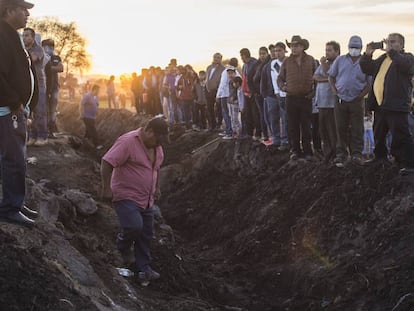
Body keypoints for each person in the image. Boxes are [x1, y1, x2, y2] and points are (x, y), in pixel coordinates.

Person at [100, 116, 169, 281]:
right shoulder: (128, 142)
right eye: (157, 139)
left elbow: (156, 169)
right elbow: (106, 162)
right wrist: (106, 188)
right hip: (126, 195)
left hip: (147, 198)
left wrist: (157, 187)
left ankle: (143, 268)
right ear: (149, 131)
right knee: (134, 227)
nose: (159, 143)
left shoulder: (157, 147)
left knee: (146, 233)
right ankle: (122, 247)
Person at [0, 0, 38, 227]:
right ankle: (10, 207)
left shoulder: (10, 35)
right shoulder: (2, 36)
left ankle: (15, 201)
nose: (27, 15)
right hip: (8, 110)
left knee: (15, 157)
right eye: (23, 10)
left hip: (14, 109)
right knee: (14, 159)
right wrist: (15, 103)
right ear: (8, 10)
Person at [360, 33, 414, 175]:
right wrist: (367, 54)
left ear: (401, 45)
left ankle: (408, 163)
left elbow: (406, 66)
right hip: (380, 105)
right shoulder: (383, 59)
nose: (389, 44)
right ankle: (380, 157)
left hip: (397, 104)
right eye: (388, 41)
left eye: (393, 42)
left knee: (401, 135)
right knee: (379, 133)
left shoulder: (407, 57)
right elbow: (368, 68)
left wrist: (391, 52)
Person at [328, 35, 371, 167]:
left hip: (357, 100)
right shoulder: (340, 60)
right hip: (341, 99)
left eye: (357, 48)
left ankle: (357, 154)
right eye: (352, 47)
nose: (354, 50)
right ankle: (341, 154)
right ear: (348, 47)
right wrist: (335, 92)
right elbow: (331, 76)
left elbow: (369, 82)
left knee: (357, 128)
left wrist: (362, 95)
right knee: (341, 127)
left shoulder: (365, 62)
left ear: (361, 48)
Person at [277, 35, 316, 161]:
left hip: (306, 98)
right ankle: (295, 150)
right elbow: (280, 79)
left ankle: (308, 151)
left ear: (302, 47)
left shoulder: (311, 60)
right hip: (291, 98)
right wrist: (284, 88)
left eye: (296, 46)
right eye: (292, 46)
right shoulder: (287, 62)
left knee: (306, 126)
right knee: (293, 126)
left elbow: (317, 77)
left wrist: (313, 92)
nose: (293, 48)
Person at [314, 41, 341, 163]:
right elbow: (315, 77)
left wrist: (324, 66)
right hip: (321, 103)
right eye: (326, 50)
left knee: (332, 130)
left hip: (331, 103)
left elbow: (330, 75)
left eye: (330, 50)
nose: (327, 53)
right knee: (323, 130)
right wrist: (327, 79)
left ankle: (335, 154)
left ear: (337, 52)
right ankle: (327, 154)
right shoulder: (325, 64)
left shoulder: (338, 63)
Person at [23, 27, 48, 146]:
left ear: (33, 38)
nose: (25, 38)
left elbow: (32, 59)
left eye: (27, 35)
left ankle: (42, 136)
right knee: (30, 111)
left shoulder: (38, 49)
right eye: (24, 35)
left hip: (39, 84)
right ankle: (32, 136)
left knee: (40, 110)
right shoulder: (23, 49)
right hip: (29, 84)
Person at [42, 38, 63, 137]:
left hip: (54, 87)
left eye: (51, 46)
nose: (49, 48)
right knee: (44, 108)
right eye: (46, 46)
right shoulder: (42, 57)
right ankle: (44, 129)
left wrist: (49, 68)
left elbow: (61, 68)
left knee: (53, 109)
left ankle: (52, 127)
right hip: (44, 87)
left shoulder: (56, 58)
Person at [206, 53, 225, 131]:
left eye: (218, 58)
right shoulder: (209, 67)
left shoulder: (223, 69)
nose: (216, 59)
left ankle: (219, 124)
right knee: (209, 108)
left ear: (220, 59)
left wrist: (218, 90)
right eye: (215, 57)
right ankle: (212, 125)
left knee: (219, 108)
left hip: (217, 90)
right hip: (208, 90)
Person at [79, 84, 103, 150]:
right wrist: (81, 114)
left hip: (92, 117)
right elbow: (81, 104)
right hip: (86, 116)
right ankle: (97, 144)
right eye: (98, 90)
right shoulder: (87, 96)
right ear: (94, 89)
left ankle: (83, 142)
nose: (99, 92)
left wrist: (97, 112)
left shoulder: (96, 97)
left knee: (88, 131)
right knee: (93, 130)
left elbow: (97, 105)